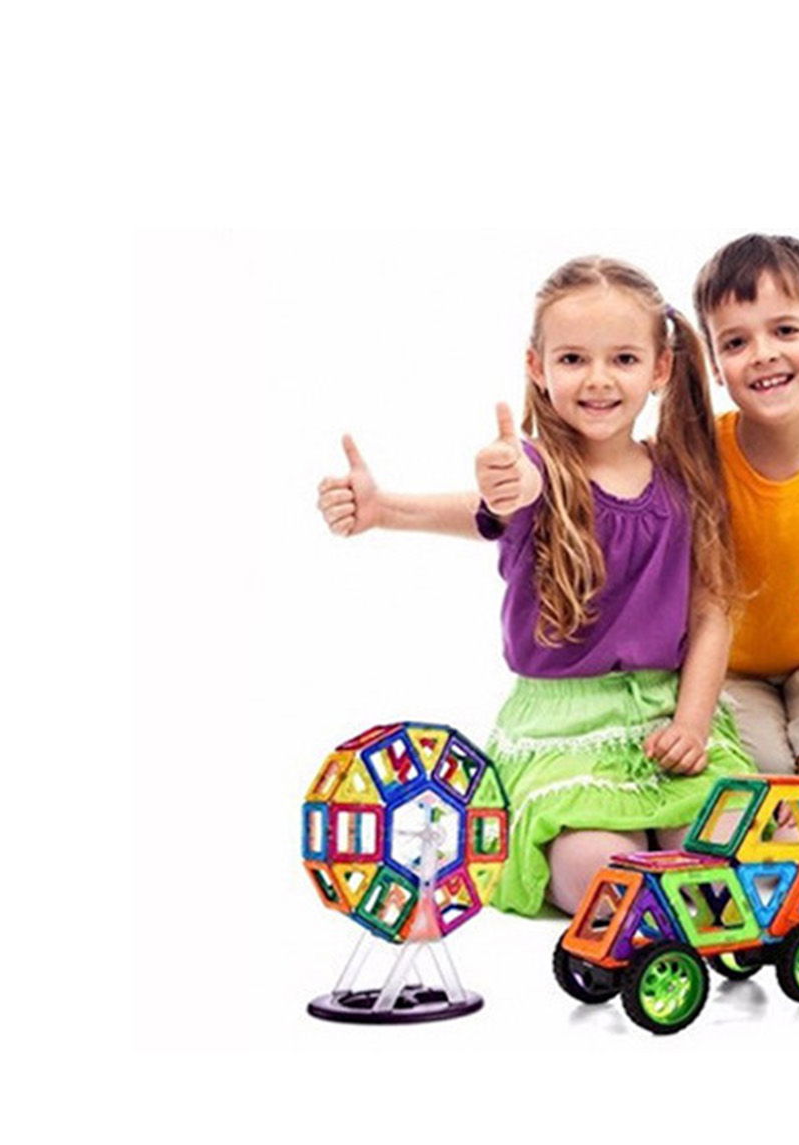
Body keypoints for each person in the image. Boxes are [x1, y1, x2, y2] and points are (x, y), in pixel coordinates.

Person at [316, 257, 753, 914]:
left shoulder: (682, 475)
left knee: (733, 845)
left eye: (624, 359)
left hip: (666, 714)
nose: (598, 379)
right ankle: (629, 897)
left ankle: (683, 895)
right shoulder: (535, 469)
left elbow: (713, 610)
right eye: (573, 359)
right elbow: (503, 500)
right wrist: (396, 508)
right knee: (599, 873)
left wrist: (692, 723)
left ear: (661, 368)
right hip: (564, 731)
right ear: (537, 368)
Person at [691, 234, 799, 777]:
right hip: (731, 670)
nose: (763, 353)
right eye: (736, 342)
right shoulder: (697, 455)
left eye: (785, 330)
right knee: (764, 775)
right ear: (715, 365)